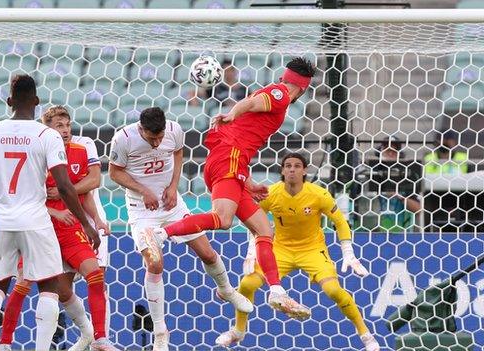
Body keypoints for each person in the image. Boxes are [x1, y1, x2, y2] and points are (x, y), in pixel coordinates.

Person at [141, 57, 316, 320]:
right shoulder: (280, 93)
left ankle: (277, 291)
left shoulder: (277, 94)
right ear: (303, 87)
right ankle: (158, 234)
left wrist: (247, 183)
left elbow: (249, 124)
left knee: (264, 229)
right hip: (229, 158)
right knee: (223, 220)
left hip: (233, 163)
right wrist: (234, 111)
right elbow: (251, 103)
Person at [0, 74, 98, 351]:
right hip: (37, 221)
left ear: (9, 101)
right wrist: (86, 223)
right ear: (37, 102)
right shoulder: (46, 135)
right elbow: (64, 185)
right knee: (49, 287)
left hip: (2, 220)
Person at [108, 107, 252, 351]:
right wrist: (144, 191)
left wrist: (174, 186)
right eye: (151, 138)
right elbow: (114, 173)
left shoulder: (175, 130)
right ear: (141, 129)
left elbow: (177, 153)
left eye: (159, 137)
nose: (156, 143)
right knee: (155, 263)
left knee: (206, 252)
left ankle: (227, 290)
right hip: (142, 210)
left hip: (172, 204)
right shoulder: (123, 138)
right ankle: (160, 332)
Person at [215, 152, 380, 351]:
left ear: (305, 170)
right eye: (288, 166)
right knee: (247, 284)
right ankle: (238, 331)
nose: (292, 169)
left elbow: (340, 222)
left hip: (312, 250)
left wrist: (348, 252)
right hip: (280, 250)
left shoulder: (319, 194)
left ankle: (366, 335)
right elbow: (254, 222)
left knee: (334, 291)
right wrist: (252, 251)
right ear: (282, 170)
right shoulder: (271, 194)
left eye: (297, 166)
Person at [0, 106, 118, 351]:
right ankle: (5, 343)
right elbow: (24, 196)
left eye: (67, 125)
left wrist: (96, 220)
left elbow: (84, 195)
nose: (65, 130)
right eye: (59, 126)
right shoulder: (36, 155)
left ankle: (100, 338)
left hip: (69, 230)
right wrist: (54, 211)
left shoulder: (79, 152)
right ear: (47, 130)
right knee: (24, 285)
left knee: (95, 274)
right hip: (39, 229)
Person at [371, 136, 421, 232]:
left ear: (399, 155)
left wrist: (398, 196)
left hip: (401, 234)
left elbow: (418, 209)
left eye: (394, 151)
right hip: (370, 233)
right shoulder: (369, 173)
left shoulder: (408, 177)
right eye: (387, 150)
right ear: (380, 152)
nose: (390, 154)